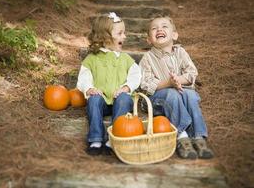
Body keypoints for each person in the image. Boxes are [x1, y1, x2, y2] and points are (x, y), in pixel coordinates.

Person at [139, 15, 214, 159]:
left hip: (181, 93)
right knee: (171, 94)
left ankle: (199, 137)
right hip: (156, 101)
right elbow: (146, 84)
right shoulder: (147, 58)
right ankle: (182, 137)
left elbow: (192, 72)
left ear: (174, 35)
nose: (159, 29)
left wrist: (179, 79)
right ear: (149, 39)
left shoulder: (181, 52)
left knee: (190, 95)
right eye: (154, 28)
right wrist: (169, 83)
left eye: (164, 26)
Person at [77, 12, 141, 156]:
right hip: (102, 102)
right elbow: (84, 77)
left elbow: (136, 75)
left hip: (120, 102)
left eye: (124, 33)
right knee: (93, 100)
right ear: (105, 37)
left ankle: (113, 138)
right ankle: (96, 139)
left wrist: (126, 87)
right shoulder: (91, 59)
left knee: (125, 98)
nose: (124, 37)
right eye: (120, 33)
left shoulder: (125, 59)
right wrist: (90, 89)